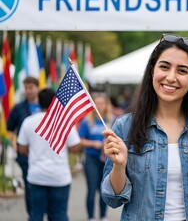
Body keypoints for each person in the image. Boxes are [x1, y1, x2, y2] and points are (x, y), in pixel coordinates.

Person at [101, 33, 188, 220]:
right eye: (164, 67)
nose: (170, 77)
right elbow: (113, 199)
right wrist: (119, 167)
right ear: (152, 70)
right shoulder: (125, 126)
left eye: (182, 71)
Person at [16, 88, 81, 221]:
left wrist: (34, 150)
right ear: (54, 101)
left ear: (39, 102)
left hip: (36, 176)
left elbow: (21, 149)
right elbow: (75, 147)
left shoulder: (28, 121)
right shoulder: (64, 121)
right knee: (58, 215)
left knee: (36, 215)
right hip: (59, 177)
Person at [7, 76, 40, 218]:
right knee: (30, 186)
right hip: (25, 155)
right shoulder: (18, 108)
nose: (28, 91)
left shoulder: (46, 106)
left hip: (43, 153)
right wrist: (14, 143)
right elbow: (9, 130)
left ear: (37, 88)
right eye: (26, 88)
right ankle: (32, 215)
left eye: (31, 87)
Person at [79, 92, 114, 221]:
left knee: (104, 189)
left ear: (106, 105)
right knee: (92, 189)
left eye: (101, 103)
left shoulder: (111, 120)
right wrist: (93, 143)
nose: (99, 106)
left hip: (107, 160)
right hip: (91, 158)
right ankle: (91, 217)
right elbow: (80, 140)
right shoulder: (87, 121)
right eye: (96, 103)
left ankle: (103, 216)